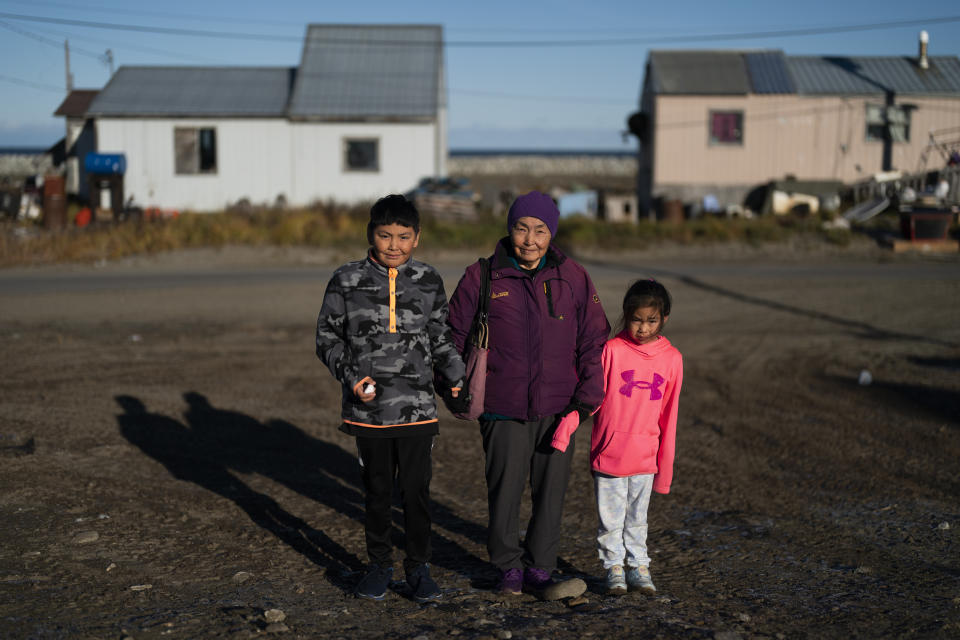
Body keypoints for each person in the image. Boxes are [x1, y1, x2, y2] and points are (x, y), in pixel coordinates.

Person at [447, 190, 610, 597]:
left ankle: (540, 567)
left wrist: (586, 399)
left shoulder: (573, 276)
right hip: (501, 408)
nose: (530, 239)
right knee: (504, 490)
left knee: (550, 494)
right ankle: (507, 568)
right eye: (522, 228)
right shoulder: (481, 275)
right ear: (510, 229)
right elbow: (450, 336)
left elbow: (594, 339)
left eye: (540, 230)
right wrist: (451, 387)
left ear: (551, 233)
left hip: (560, 409)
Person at [315, 194, 466, 602]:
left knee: (416, 493)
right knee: (377, 493)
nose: (394, 245)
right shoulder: (346, 280)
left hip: (418, 409)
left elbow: (440, 336)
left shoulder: (430, 280)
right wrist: (351, 378)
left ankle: (419, 570)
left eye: (403, 237)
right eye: (385, 236)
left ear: (417, 238)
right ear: (371, 235)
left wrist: (455, 373)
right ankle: (379, 566)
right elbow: (327, 337)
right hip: (370, 411)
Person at [553, 278, 683, 596]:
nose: (643, 327)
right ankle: (614, 568)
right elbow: (592, 397)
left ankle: (639, 566)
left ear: (664, 318)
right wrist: (565, 427)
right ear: (626, 315)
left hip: (646, 458)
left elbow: (670, 417)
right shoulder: (611, 351)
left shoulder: (673, 359)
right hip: (610, 455)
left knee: (638, 519)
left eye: (651, 321)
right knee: (610, 520)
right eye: (636, 320)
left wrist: (663, 474)